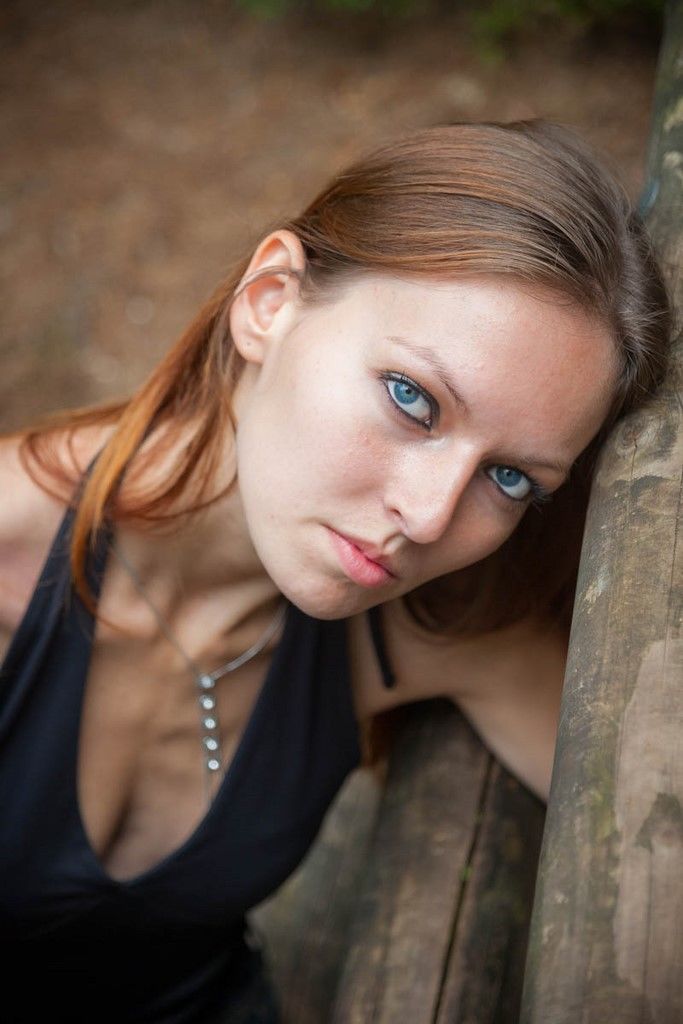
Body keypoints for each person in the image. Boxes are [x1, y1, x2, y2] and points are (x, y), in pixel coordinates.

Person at [0, 119, 672, 1023]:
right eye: (411, 399)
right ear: (269, 300)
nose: (430, 517)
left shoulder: (412, 628)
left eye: (510, 477)